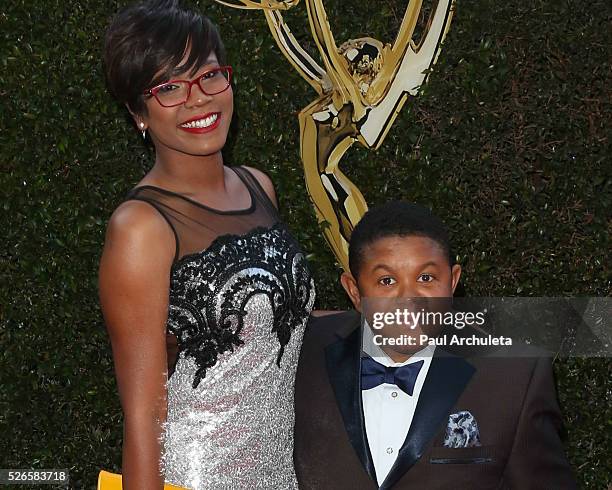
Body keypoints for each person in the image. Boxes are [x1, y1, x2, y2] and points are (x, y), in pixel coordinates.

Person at [98, 1, 316, 488]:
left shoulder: (259, 187)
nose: (198, 99)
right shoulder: (141, 228)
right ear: (139, 112)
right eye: (170, 87)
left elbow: (269, 326)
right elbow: (143, 415)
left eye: (210, 76)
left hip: (280, 473)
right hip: (198, 475)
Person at [294, 201, 576, 489]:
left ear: (452, 282)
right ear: (354, 291)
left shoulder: (514, 376)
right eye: (387, 280)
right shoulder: (302, 350)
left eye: (426, 278)